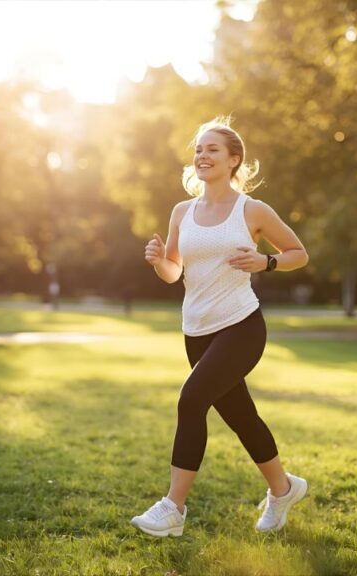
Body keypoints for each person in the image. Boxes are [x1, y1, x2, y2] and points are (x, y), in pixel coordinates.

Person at [131, 116, 310, 537]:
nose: (202, 155)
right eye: (198, 149)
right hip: (197, 330)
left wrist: (267, 261)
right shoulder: (182, 211)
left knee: (191, 400)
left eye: (212, 149)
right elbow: (175, 272)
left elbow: (298, 253)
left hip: (241, 326)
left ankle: (173, 508)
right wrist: (160, 261)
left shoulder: (252, 210)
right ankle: (283, 489)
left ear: (234, 160)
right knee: (242, 417)